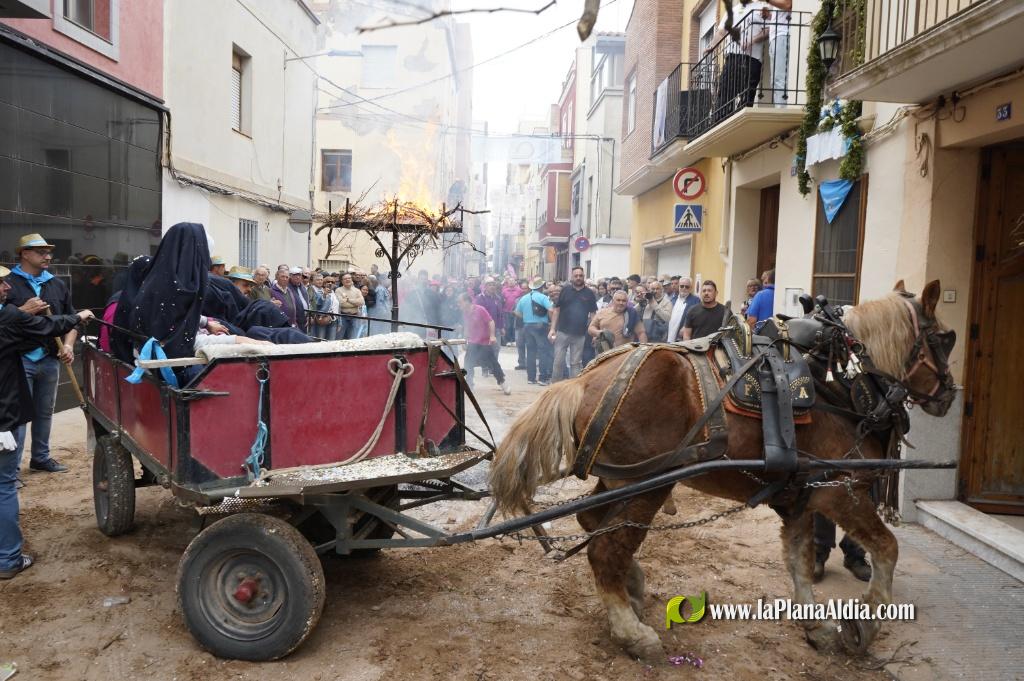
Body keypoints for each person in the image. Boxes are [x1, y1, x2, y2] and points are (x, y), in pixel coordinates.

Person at [1, 266, 94, 579]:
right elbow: (49, 324)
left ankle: (40, 457)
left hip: (44, 363)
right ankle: (8, 559)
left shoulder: (48, 289)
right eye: (0, 284)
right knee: (3, 486)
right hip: (4, 416)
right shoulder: (9, 316)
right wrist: (79, 316)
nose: (6, 288)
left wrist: (67, 341)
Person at [4, 234, 79, 474]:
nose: (48, 256)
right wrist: (24, 310)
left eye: (49, 252)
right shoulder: (8, 284)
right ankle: (12, 468)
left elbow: (72, 320)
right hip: (18, 359)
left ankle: (41, 458)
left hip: (49, 358)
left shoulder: (56, 284)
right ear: (25, 254)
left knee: (45, 411)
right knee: (17, 415)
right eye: (41, 252)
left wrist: (68, 346)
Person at [548, 266, 598, 382]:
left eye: (580, 275)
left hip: (580, 334)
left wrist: (594, 333)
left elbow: (593, 315)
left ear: (584, 276)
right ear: (572, 277)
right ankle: (555, 387)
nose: (578, 278)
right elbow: (557, 310)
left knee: (575, 364)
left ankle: (572, 388)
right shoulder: (565, 290)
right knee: (558, 362)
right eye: (576, 276)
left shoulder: (589, 293)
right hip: (562, 332)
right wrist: (552, 329)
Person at [457, 293, 511, 395]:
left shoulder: (480, 309)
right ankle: (469, 385)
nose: (458, 304)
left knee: (493, 364)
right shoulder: (465, 312)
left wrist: (492, 336)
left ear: (467, 301)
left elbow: (491, 322)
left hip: (484, 342)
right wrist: (465, 340)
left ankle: (502, 382)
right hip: (473, 342)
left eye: (460, 302)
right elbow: (467, 326)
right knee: (468, 363)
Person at [514, 277, 554, 386]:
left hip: (527, 326)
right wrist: (552, 323)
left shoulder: (524, 298)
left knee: (531, 352)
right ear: (540, 287)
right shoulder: (543, 297)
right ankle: (542, 378)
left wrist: (525, 318)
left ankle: (531, 378)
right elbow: (551, 310)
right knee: (543, 352)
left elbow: (516, 312)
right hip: (541, 326)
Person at [667, 277, 700, 342]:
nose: (684, 288)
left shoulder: (695, 300)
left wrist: (686, 326)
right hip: (669, 335)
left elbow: (697, 317)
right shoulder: (673, 299)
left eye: (687, 287)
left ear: (691, 288)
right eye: (682, 286)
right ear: (679, 287)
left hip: (682, 338)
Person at [334, 272, 365, 340]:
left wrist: (348, 300)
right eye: (345, 279)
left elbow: (361, 302)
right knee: (340, 338)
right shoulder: (338, 290)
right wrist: (355, 303)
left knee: (353, 338)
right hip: (342, 317)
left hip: (355, 317)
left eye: (349, 278)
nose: (347, 280)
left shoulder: (357, 290)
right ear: (342, 281)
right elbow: (341, 303)